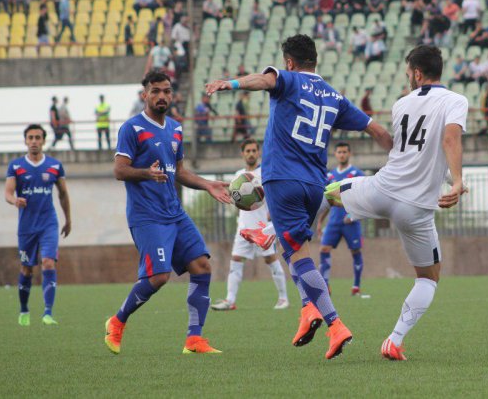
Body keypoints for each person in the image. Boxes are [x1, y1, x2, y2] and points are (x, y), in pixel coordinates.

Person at [206, 34, 393, 360]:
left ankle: (335, 325)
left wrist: (231, 84)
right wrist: (403, 158)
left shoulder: (287, 80)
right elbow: (377, 130)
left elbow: (262, 80)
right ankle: (308, 309)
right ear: (315, 61)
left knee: (296, 254)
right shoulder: (335, 97)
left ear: (289, 62)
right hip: (316, 186)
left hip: (283, 181)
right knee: (292, 249)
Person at [324, 45, 467, 361]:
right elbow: (448, 140)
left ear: (417, 73)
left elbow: (408, 153)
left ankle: (273, 231)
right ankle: (394, 340)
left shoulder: (401, 103)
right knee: (428, 278)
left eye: (408, 74)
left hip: (382, 189)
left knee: (329, 191)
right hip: (414, 208)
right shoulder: (457, 101)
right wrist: (456, 181)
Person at [104, 70, 231, 355]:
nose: (162, 96)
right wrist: (145, 174)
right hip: (147, 216)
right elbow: (119, 170)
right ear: (145, 94)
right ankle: (117, 321)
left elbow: (180, 172)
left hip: (175, 213)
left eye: (166, 91)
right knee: (159, 277)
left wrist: (208, 184)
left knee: (202, 267)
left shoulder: (175, 128)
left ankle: (194, 340)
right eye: (155, 91)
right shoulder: (132, 129)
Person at [5, 124, 72, 326]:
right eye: (30, 138)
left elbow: (63, 194)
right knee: (26, 269)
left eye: (38, 137)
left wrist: (68, 219)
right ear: (25, 141)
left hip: (48, 223)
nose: (34, 141)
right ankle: (24, 309)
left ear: (43, 141)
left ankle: (48, 313)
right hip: (26, 226)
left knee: (48, 262)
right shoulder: (16, 166)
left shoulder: (54, 166)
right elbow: (8, 192)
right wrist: (14, 200)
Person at [211, 139, 289, 312]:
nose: (251, 153)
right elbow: (236, 199)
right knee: (236, 260)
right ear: (243, 153)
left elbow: (275, 194)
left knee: (271, 259)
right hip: (244, 226)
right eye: (248, 151)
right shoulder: (239, 175)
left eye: (254, 150)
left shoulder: (266, 172)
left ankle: (283, 298)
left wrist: (273, 213)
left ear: (258, 152)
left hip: (263, 225)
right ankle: (230, 300)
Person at [315, 143, 365, 295]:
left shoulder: (357, 173)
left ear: (349, 153)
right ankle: (325, 284)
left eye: (344, 152)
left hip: (351, 222)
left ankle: (356, 287)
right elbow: (327, 200)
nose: (342, 154)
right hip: (334, 222)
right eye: (339, 152)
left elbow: (364, 198)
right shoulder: (330, 176)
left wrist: (353, 215)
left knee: (355, 251)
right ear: (335, 154)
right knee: (323, 249)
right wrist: (320, 221)